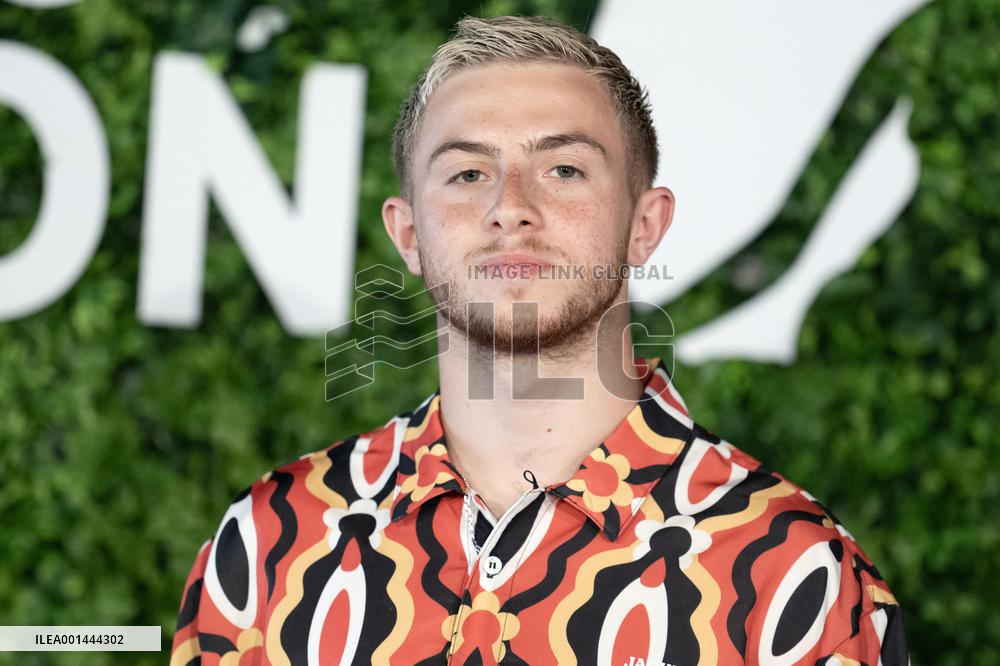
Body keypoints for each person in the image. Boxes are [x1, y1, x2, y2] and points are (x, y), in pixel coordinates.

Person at [170, 15, 908, 665]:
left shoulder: (795, 574)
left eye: (563, 168)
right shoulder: (270, 545)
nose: (510, 208)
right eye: (466, 172)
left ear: (644, 225)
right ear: (408, 236)